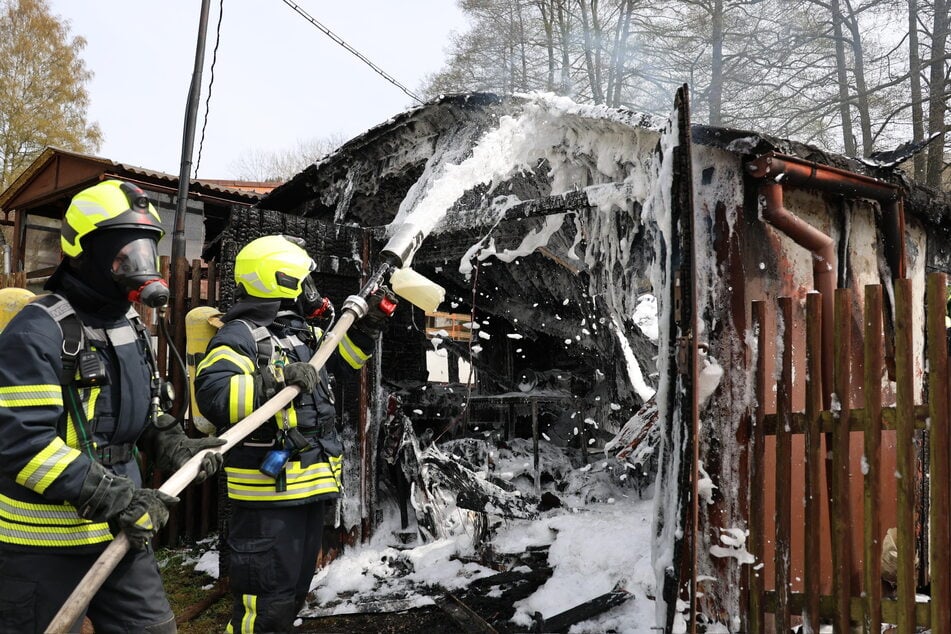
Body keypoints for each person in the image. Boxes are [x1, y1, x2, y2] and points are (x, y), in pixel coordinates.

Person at [0, 180, 225, 633]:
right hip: (41, 543)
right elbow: (22, 444)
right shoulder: (35, 333)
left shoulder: (128, 325)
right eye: (125, 253)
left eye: (145, 250)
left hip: (120, 530)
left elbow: (143, 413)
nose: (139, 266)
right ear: (85, 251)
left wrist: (172, 442)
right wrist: (113, 496)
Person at [194, 234, 396, 633]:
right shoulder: (241, 335)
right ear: (278, 281)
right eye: (305, 282)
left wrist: (369, 323)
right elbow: (212, 395)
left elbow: (344, 361)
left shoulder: (302, 334)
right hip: (268, 499)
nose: (311, 292)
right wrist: (275, 379)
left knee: (289, 597)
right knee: (264, 604)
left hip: (305, 492)